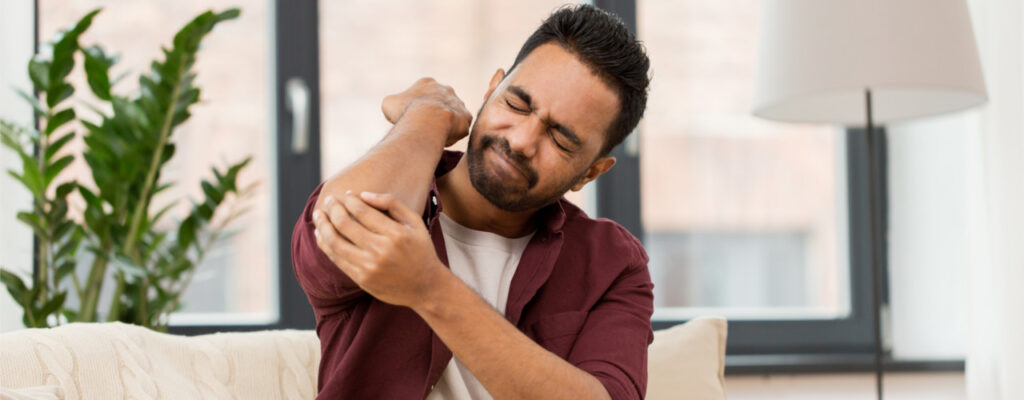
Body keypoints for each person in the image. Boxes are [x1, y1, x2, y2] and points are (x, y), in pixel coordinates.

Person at [292, 4, 653, 399]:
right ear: (491, 88)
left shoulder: (613, 263)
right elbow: (333, 244)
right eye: (515, 104)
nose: (519, 141)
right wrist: (428, 114)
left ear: (591, 172)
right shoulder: (391, 189)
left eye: (561, 139)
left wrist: (428, 286)